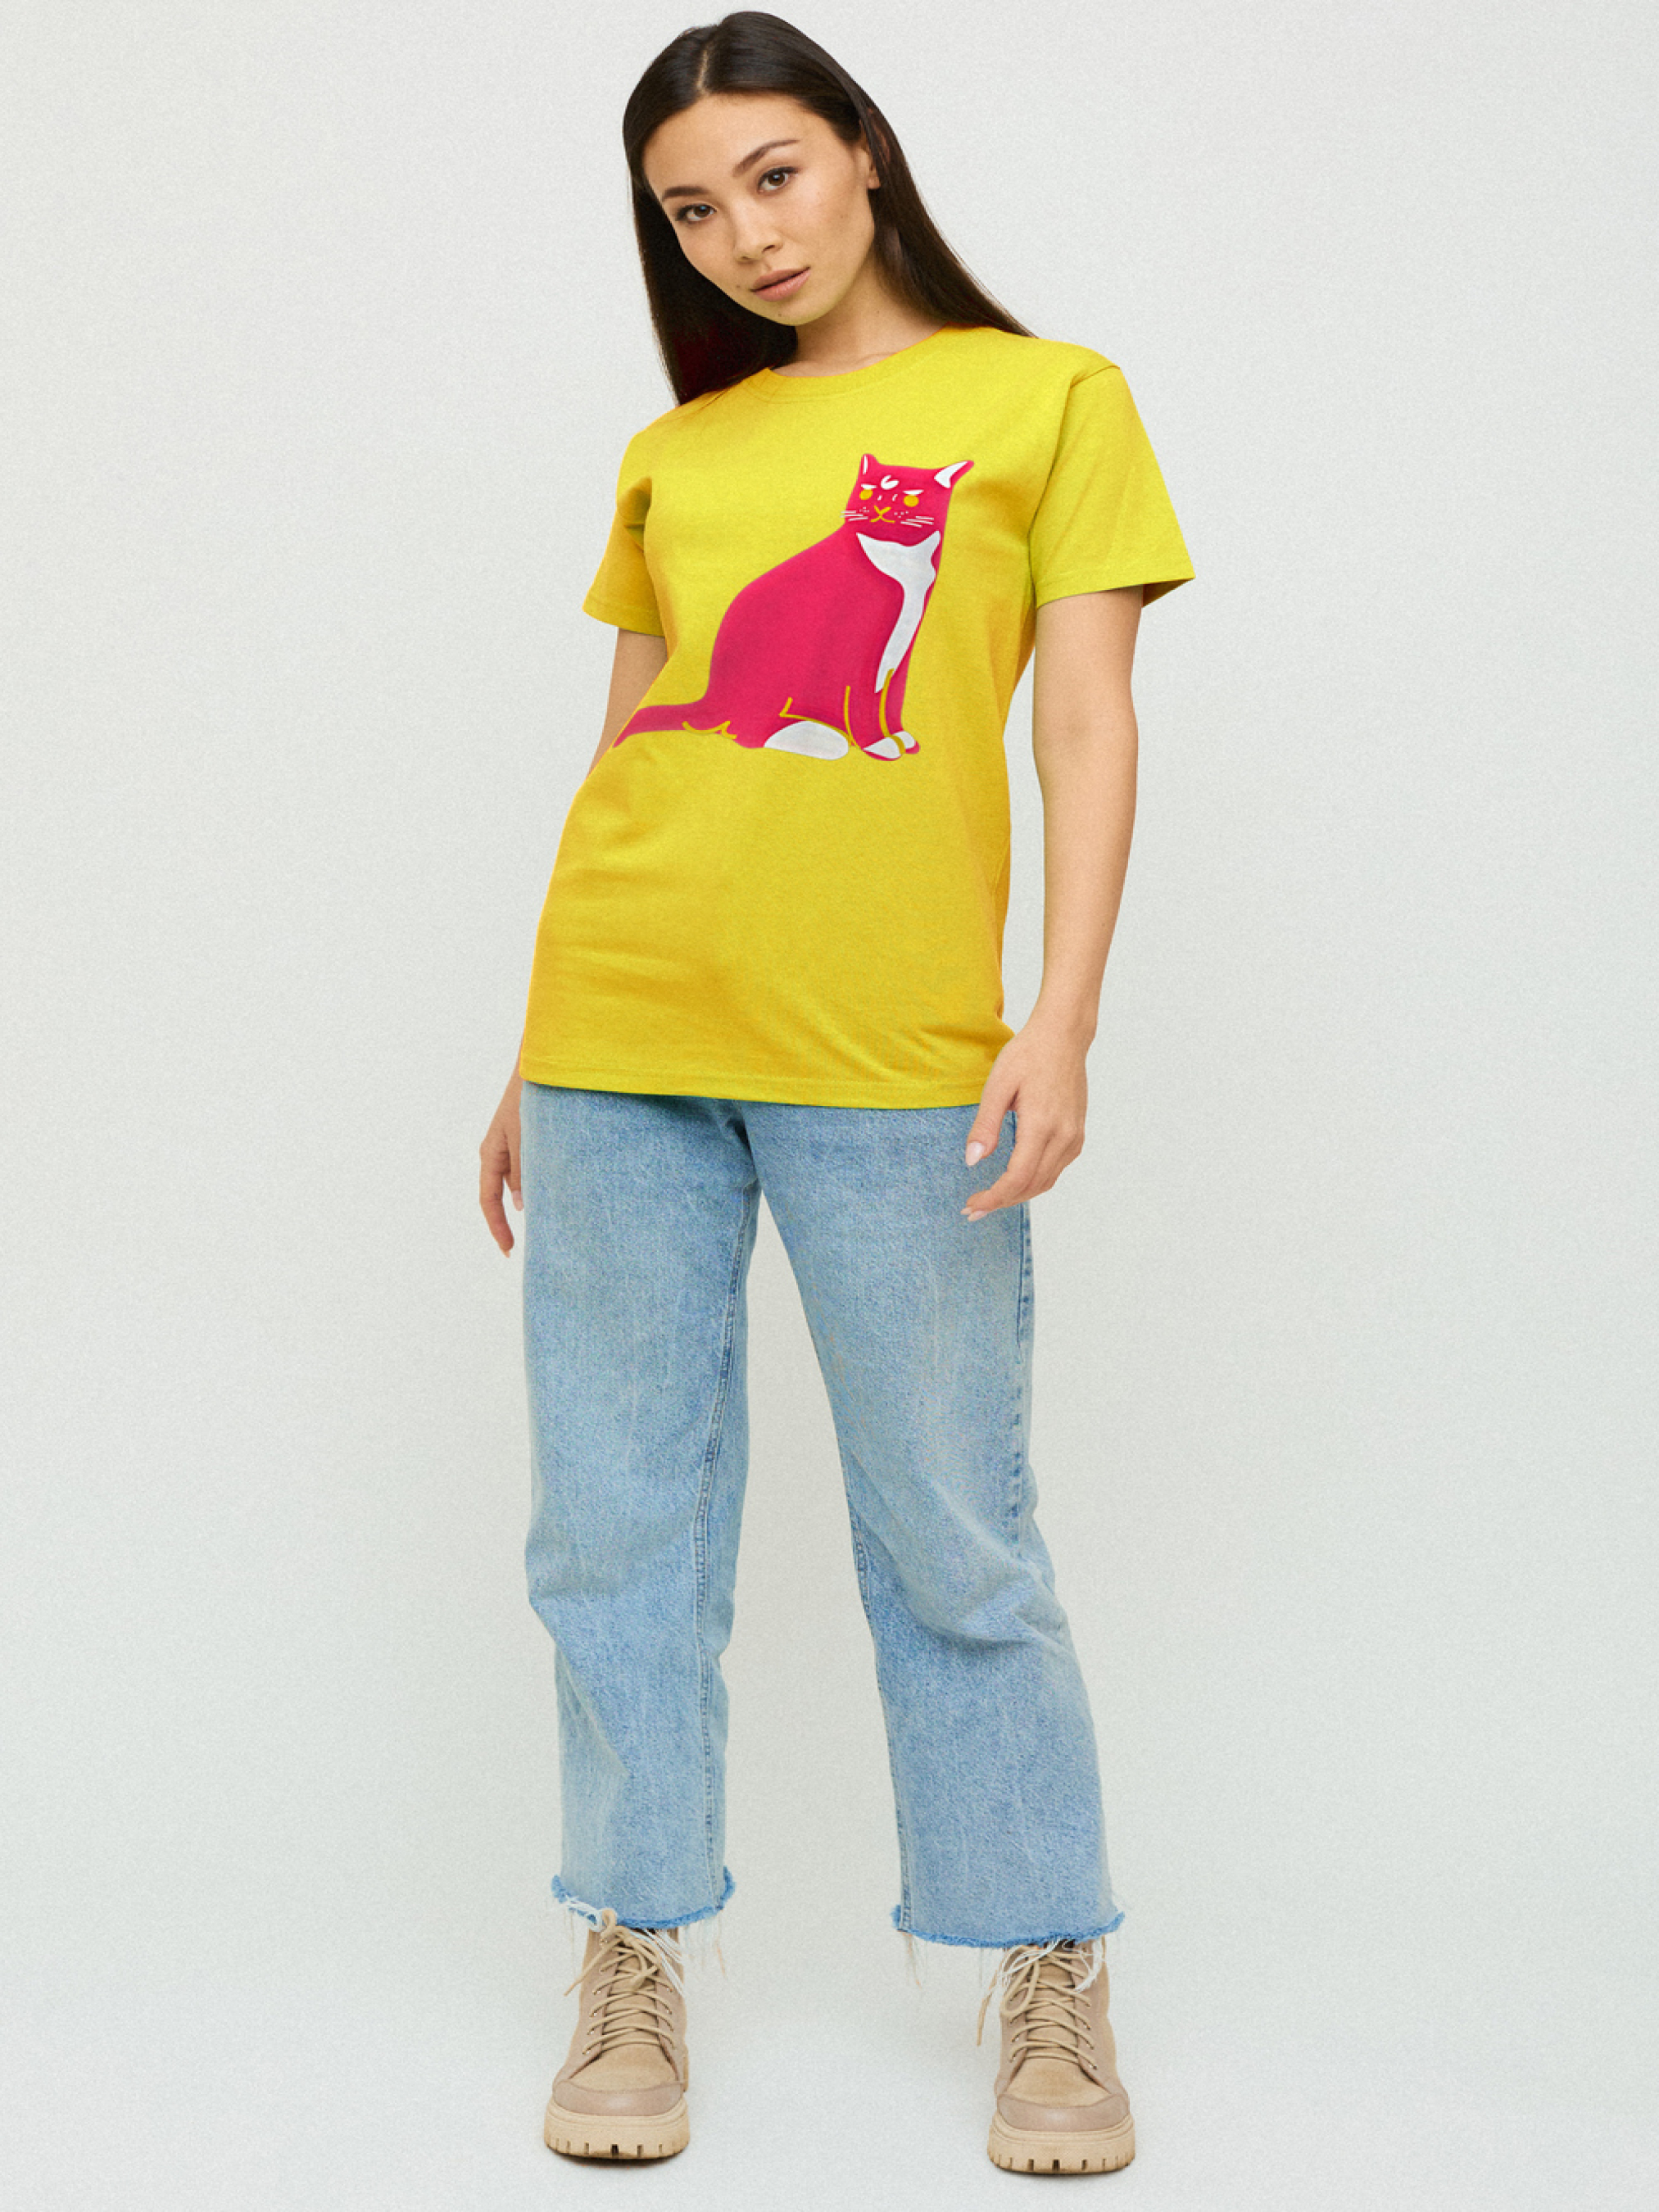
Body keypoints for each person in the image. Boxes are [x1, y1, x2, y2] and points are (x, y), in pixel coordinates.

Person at [478, 8, 1193, 2177]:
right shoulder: (679, 451)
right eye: (692, 209)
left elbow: (1083, 721)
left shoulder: (1047, 399)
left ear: (863, 153)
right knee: (613, 1525)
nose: (744, 234)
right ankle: (630, 1946)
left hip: (894, 1053)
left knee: (953, 1527)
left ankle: (1044, 1966)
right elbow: (630, 745)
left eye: (773, 175)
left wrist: (1060, 1015)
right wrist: (529, 1043)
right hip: (620, 1036)